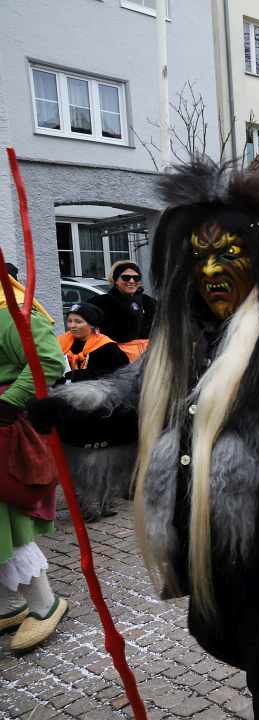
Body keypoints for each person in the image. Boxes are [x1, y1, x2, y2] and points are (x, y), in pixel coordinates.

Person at [28, 161, 259, 719]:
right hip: (203, 523)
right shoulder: (185, 336)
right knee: (213, 630)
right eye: (198, 256)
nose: (211, 269)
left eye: (229, 252)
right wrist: (68, 411)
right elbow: (134, 399)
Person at [0, 270, 68, 653]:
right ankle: (10, 603)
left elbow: (46, 358)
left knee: (5, 519)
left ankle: (43, 603)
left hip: (3, 429)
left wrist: (7, 405)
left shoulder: (6, 308)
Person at [55, 302, 133, 521]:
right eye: (70, 320)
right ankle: (87, 502)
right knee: (77, 459)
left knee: (100, 459)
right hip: (72, 414)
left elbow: (119, 377)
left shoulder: (107, 348)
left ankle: (103, 501)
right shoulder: (61, 344)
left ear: (91, 324)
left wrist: (85, 377)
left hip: (100, 414)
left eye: (78, 321)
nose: (72, 325)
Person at [89, 260, 157, 362]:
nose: (131, 281)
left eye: (136, 278)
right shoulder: (101, 302)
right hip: (115, 362)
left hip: (149, 360)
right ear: (116, 280)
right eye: (126, 277)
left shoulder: (149, 302)